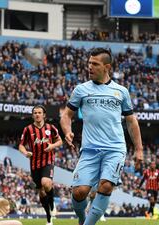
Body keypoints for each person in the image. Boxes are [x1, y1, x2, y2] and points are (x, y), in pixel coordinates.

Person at [60, 48, 143, 225]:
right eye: (89, 63)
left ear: (107, 67)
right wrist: (67, 131)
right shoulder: (81, 90)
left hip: (115, 148)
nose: (90, 67)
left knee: (106, 185)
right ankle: (82, 218)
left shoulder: (121, 91)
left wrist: (139, 150)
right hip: (89, 149)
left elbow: (131, 121)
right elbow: (66, 115)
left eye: (95, 64)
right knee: (79, 192)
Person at [19, 105, 62, 225]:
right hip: (34, 165)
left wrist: (52, 146)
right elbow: (21, 145)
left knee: (46, 183)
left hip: (48, 161)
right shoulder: (28, 129)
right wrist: (25, 152)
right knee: (42, 192)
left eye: (39, 112)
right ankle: (49, 217)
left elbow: (59, 141)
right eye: (35, 113)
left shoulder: (51, 128)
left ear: (44, 115)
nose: (37, 114)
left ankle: (52, 202)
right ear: (33, 115)